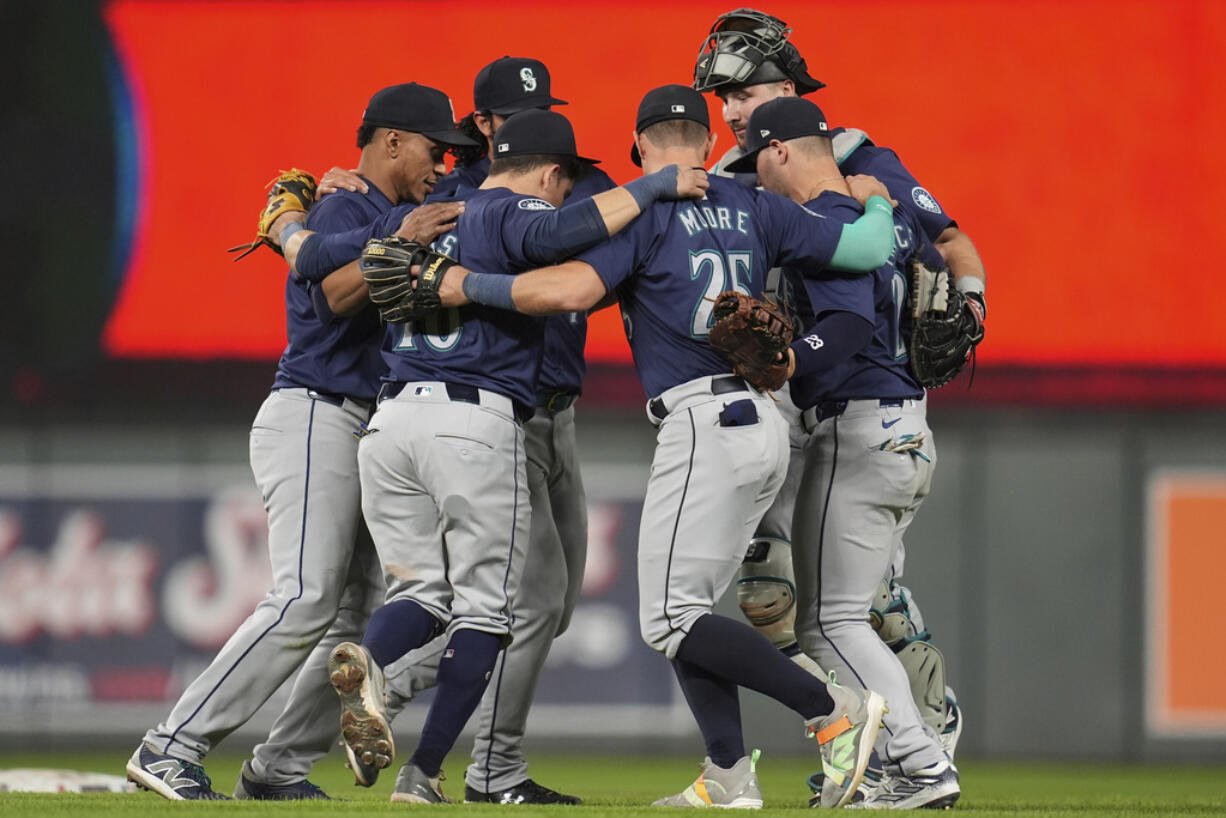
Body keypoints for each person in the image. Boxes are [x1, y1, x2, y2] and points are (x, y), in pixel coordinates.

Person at [417, 84, 901, 809]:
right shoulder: (756, 204)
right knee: (690, 611)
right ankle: (729, 776)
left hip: (705, 421)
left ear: (639, 147)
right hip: (765, 416)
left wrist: (462, 284)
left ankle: (831, 714)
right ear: (709, 144)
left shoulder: (647, 212)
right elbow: (868, 247)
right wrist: (879, 200)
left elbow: (572, 292)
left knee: (671, 619)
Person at [253, 56, 619, 805]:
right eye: (511, 119)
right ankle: (456, 773)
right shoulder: (490, 203)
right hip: (489, 420)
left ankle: (379, 679)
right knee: (502, 608)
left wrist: (293, 227)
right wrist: (667, 184)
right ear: (481, 127)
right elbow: (581, 246)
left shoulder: (433, 209)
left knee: (442, 598)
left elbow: (328, 261)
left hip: (407, 416)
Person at [324, 108, 710, 804]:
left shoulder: (433, 215)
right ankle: (423, 775)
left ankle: (373, 661)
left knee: (420, 593)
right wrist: (652, 189)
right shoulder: (510, 210)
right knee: (489, 613)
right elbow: (554, 234)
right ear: (552, 174)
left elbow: (339, 275)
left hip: (391, 420)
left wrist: (310, 221)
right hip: (471, 423)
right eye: (564, 184)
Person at [124, 82, 475, 801]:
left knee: (352, 618)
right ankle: (169, 746)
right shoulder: (348, 205)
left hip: (364, 424)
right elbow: (335, 294)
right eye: (433, 149)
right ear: (391, 141)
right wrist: (394, 237)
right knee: (305, 596)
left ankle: (279, 768)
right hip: (318, 413)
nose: (441, 164)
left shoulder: (386, 207)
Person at [692, 6, 979, 763]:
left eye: (743, 93)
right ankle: (846, 743)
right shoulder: (724, 176)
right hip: (773, 397)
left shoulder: (854, 159)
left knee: (859, 601)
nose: (730, 110)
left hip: (845, 382)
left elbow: (947, 239)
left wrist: (971, 297)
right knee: (766, 596)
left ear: (786, 87)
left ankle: (920, 720)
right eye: (722, 99)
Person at [727, 95, 960, 808]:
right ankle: (904, 763)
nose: (754, 176)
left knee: (832, 621)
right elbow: (935, 277)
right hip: (904, 423)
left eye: (757, 160)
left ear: (780, 152)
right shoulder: (879, 219)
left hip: (858, 425)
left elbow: (852, 324)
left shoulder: (824, 222)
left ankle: (920, 764)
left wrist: (794, 363)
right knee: (843, 618)